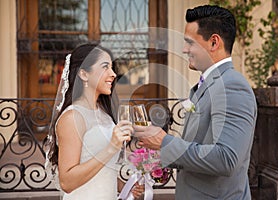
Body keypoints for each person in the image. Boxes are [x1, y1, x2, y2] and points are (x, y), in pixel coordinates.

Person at [134, 5, 257, 199]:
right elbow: (200, 147)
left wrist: (165, 142)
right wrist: (161, 154)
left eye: (189, 42)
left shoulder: (232, 86)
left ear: (214, 42)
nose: (184, 49)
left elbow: (226, 158)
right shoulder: (210, 84)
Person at [45, 43, 143, 199]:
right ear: (84, 74)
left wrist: (123, 187)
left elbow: (102, 168)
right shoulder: (72, 118)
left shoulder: (103, 112)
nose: (113, 74)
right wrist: (111, 147)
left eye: (112, 68)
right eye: (105, 67)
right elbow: (67, 183)